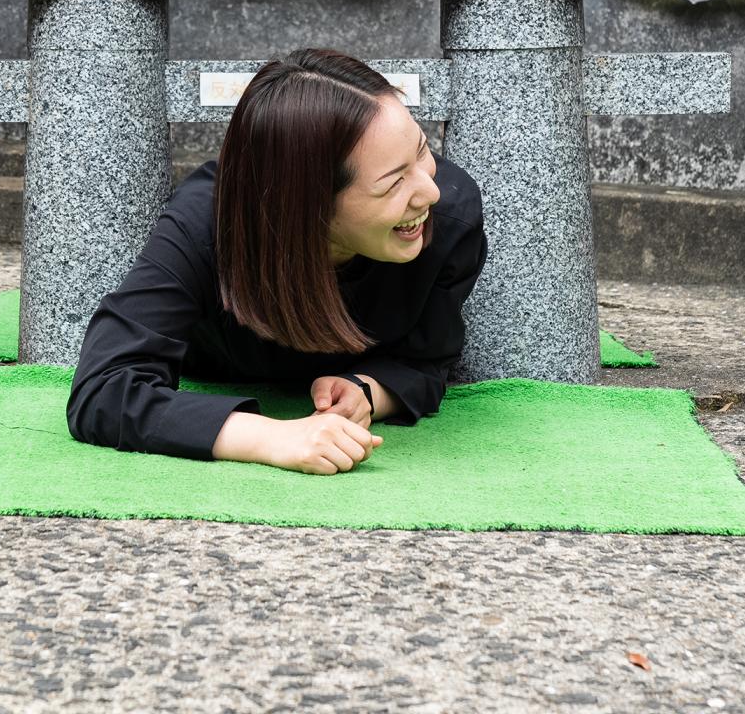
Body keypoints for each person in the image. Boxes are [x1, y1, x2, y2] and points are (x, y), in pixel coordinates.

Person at [66, 47, 488, 475]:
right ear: (311, 206)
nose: (429, 192)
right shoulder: (206, 225)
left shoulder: (448, 218)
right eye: (393, 182)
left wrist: (367, 391)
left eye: (420, 151)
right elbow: (104, 388)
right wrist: (272, 437)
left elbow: (426, 360)